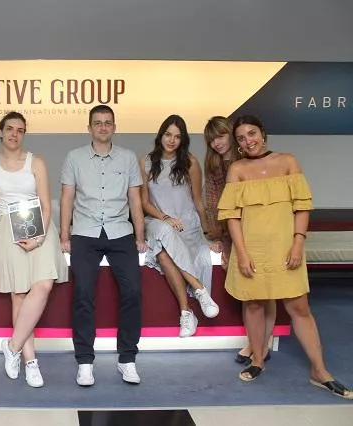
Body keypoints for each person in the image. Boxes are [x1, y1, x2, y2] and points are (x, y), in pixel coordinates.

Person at [218, 115, 352, 398]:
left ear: (262, 133)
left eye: (252, 133)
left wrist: (297, 243)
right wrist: (241, 253)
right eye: (241, 138)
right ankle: (258, 360)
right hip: (252, 250)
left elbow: (302, 206)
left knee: (299, 308)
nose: (248, 141)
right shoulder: (237, 169)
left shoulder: (288, 161)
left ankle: (320, 371)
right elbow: (232, 217)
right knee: (254, 305)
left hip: (285, 248)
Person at [0, 111, 67, 388]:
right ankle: (30, 361)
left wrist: (38, 238)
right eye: (10, 128)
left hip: (38, 224)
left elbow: (46, 205)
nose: (14, 134)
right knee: (20, 294)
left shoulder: (36, 161)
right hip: (9, 226)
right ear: (0, 131)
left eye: (20, 130)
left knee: (44, 285)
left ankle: (12, 347)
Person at [60, 104, 147, 386]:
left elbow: (135, 199)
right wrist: (64, 235)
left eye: (108, 122)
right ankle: (85, 361)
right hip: (85, 231)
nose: (103, 127)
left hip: (120, 231)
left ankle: (127, 359)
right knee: (83, 293)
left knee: (133, 292)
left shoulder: (128, 158)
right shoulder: (74, 157)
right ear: (89, 128)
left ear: (114, 127)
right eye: (98, 123)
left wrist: (140, 236)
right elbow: (67, 198)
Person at [140, 114, 220, 339]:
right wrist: (164, 217)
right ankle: (199, 288)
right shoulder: (145, 162)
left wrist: (209, 233)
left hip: (186, 226)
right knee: (163, 232)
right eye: (168, 134)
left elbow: (198, 201)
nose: (171, 140)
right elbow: (144, 203)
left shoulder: (190, 163)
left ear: (182, 139)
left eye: (177, 136)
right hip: (156, 221)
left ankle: (186, 313)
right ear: (160, 135)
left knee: (163, 255)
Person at [203, 116, 275, 364]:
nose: (217, 143)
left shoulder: (249, 159)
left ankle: (260, 345)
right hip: (232, 231)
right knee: (249, 291)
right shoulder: (213, 164)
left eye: (221, 136)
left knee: (266, 291)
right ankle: (254, 343)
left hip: (259, 229)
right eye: (211, 139)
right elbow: (214, 203)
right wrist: (218, 236)